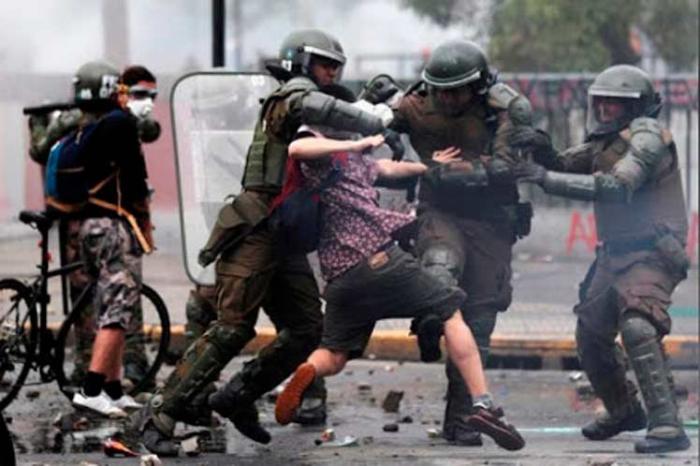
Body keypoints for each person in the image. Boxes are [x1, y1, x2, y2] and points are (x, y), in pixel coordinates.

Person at [134, 29, 397, 456]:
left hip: (288, 238)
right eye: (325, 64)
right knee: (232, 328)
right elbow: (317, 105)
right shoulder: (287, 100)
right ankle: (158, 415)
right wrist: (373, 117)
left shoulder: (319, 113)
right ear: (301, 64)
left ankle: (239, 395)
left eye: (337, 66)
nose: (332, 73)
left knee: (308, 327)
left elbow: (341, 122)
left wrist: (386, 109)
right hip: (256, 230)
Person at [273, 88, 524, 452]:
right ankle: (483, 404)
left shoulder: (350, 163)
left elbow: (388, 168)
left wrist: (430, 166)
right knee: (451, 310)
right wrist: (351, 146)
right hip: (381, 261)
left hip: (342, 280)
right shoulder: (326, 155)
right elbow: (298, 149)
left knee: (335, 354)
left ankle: (309, 371)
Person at [513, 64, 691, 454]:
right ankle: (624, 409)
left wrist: (543, 179)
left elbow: (616, 185)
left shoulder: (647, 139)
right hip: (615, 254)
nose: (607, 109)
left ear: (637, 106)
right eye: (603, 101)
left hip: (652, 252)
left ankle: (666, 426)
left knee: (638, 326)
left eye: (617, 102)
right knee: (591, 335)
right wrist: (541, 148)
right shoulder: (606, 142)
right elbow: (565, 162)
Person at [373, 39, 536, 446]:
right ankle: (428, 318)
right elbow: (369, 129)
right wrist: (376, 114)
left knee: (478, 323)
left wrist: (438, 171)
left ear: (477, 86)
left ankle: (463, 418)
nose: (445, 98)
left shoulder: (506, 110)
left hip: (491, 221)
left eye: (455, 90)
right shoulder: (417, 103)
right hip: (440, 213)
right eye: (439, 89)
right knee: (440, 271)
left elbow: (504, 168)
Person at [26, 65, 162, 391]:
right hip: (103, 217)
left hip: (80, 219)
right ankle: (109, 372)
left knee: (99, 297)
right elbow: (148, 132)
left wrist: (42, 124)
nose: (145, 101)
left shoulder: (80, 120)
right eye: (137, 94)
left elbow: (39, 148)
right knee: (110, 297)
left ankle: (105, 371)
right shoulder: (112, 121)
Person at [68, 60, 153, 416]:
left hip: (87, 226)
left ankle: (113, 389)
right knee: (118, 309)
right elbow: (135, 179)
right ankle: (90, 390)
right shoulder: (119, 124)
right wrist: (143, 212)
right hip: (113, 225)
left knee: (106, 306)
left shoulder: (84, 126)